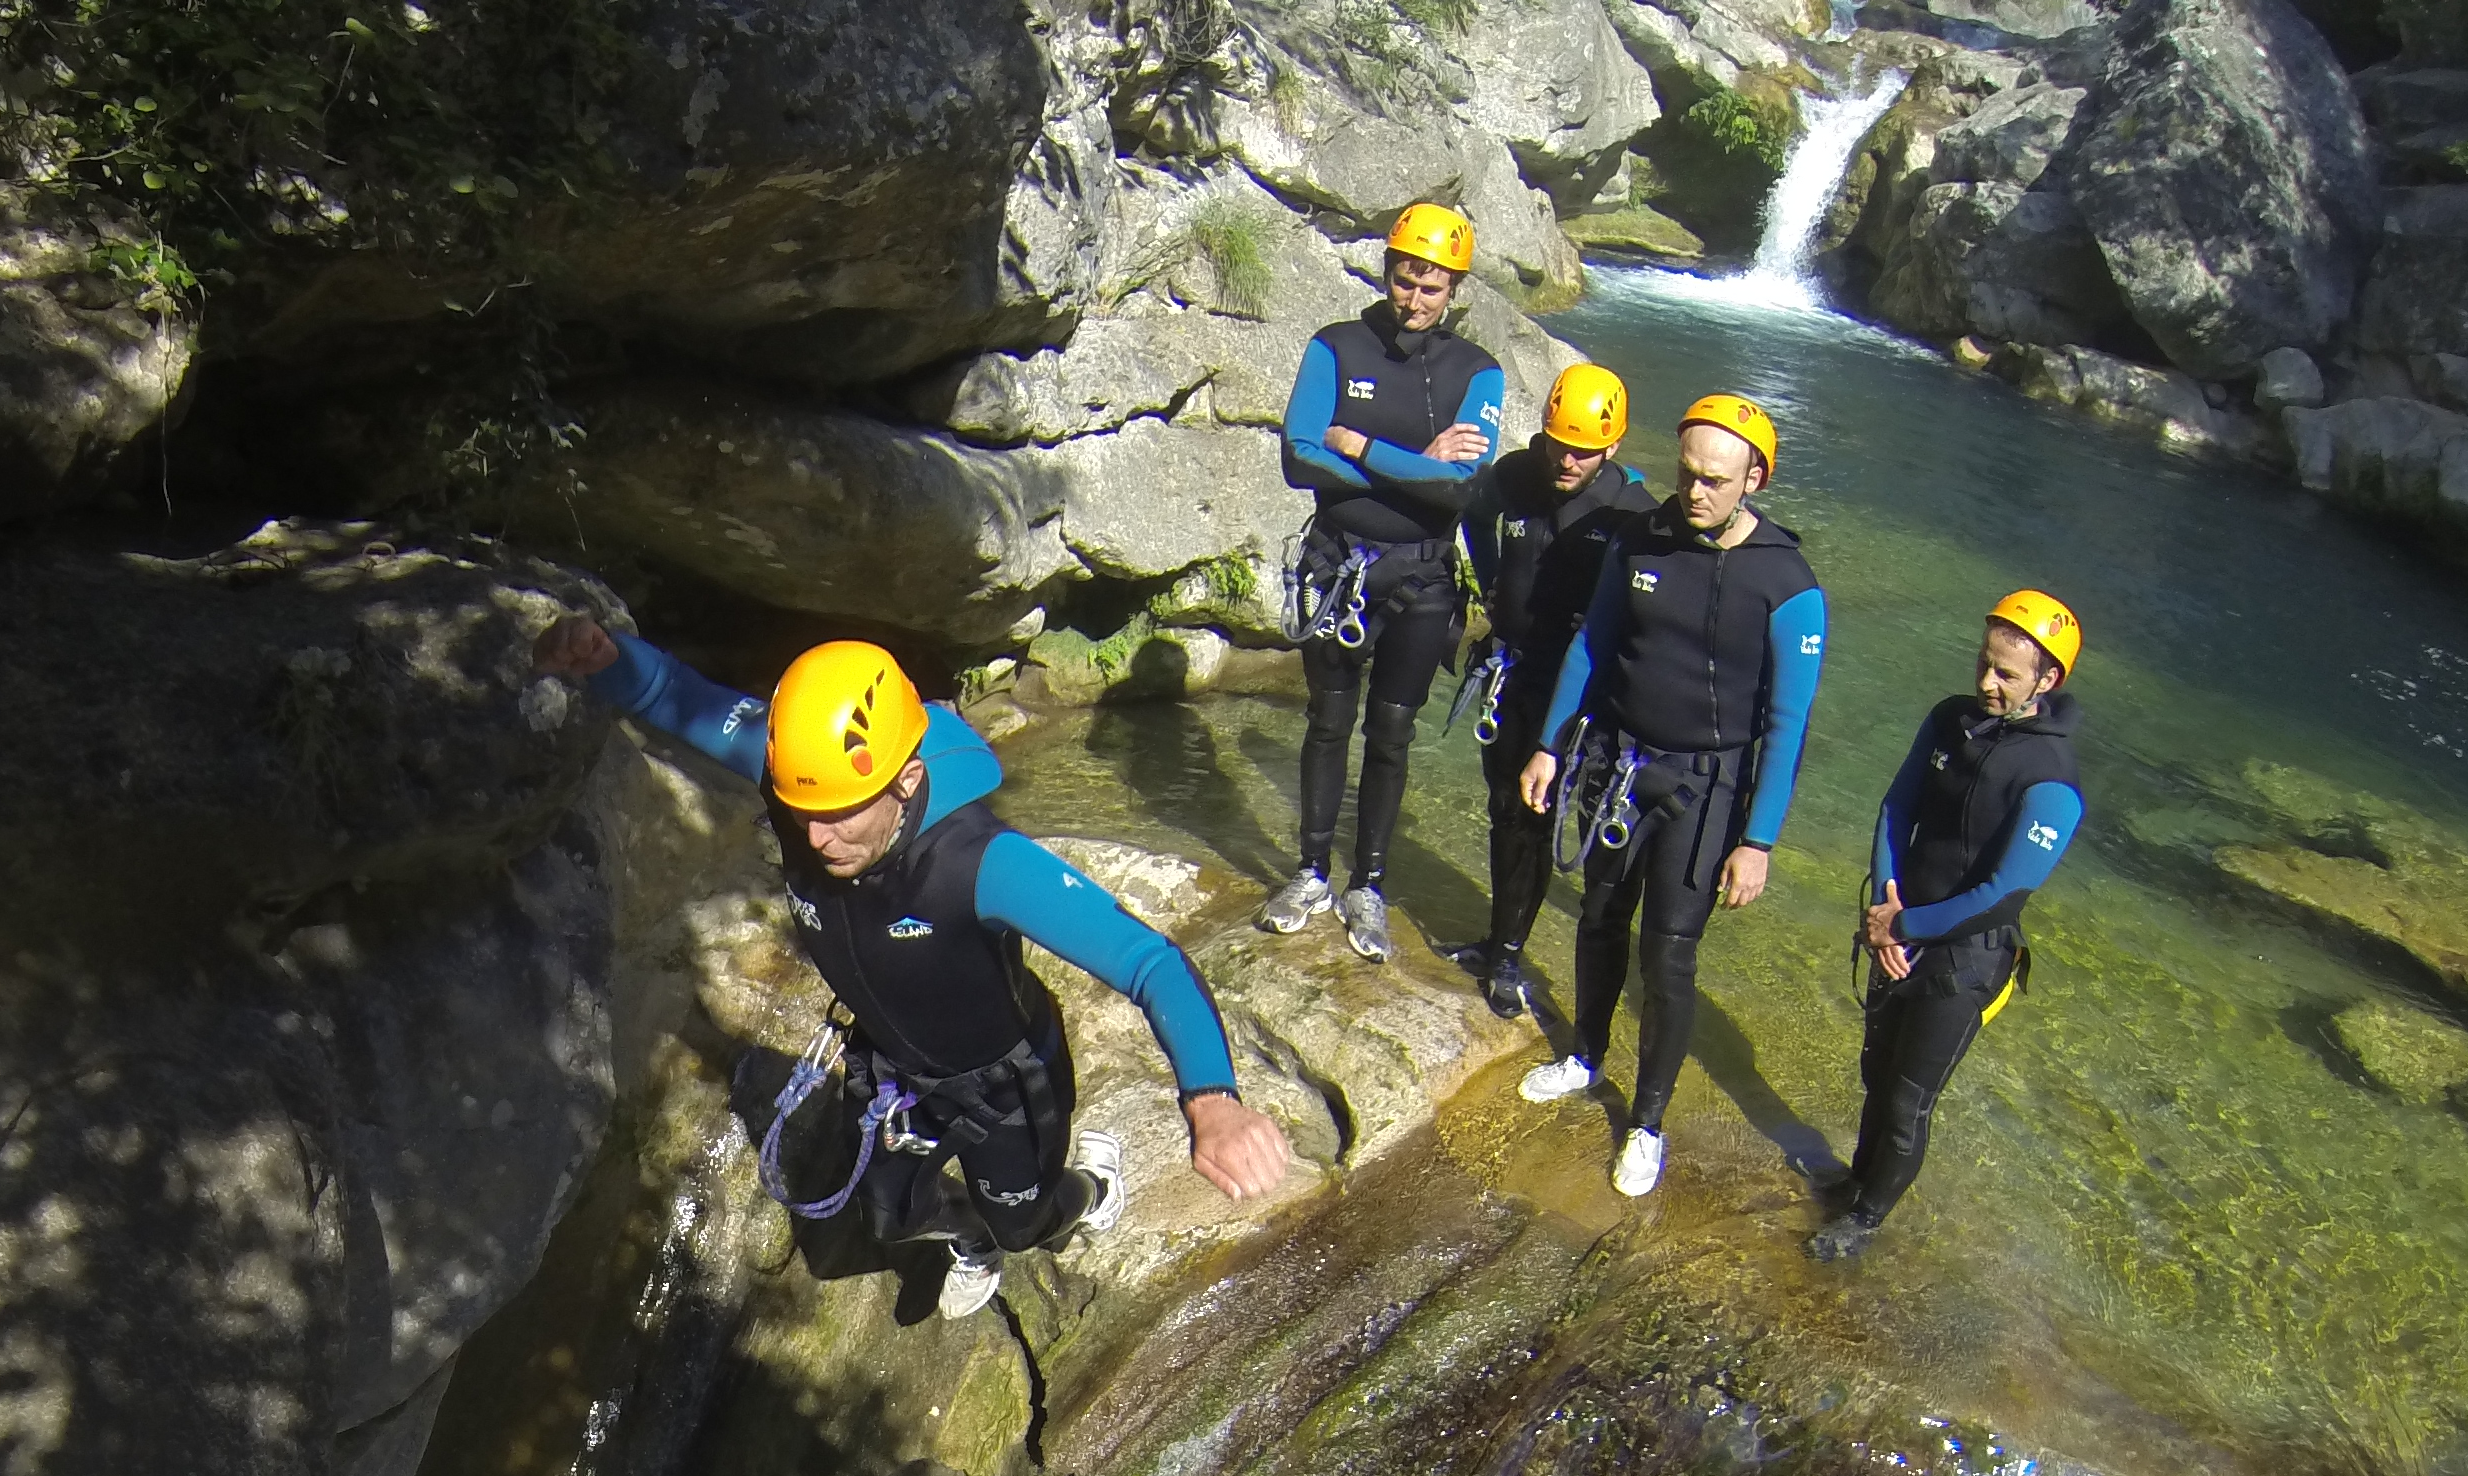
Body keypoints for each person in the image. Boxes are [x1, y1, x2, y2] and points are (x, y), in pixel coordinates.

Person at [536, 616, 1296, 1314]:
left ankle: (1090, 1188)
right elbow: (677, 693)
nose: (817, 835)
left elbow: (1150, 962)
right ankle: (969, 1235)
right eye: (801, 808)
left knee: (1025, 1221)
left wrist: (1213, 1102)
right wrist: (608, 660)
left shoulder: (982, 863)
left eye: (840, 812)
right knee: (892, 1217)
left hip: (1002, 1085)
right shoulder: (805, 776)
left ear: (903, 780)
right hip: (895, 1066)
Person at [1513, 393, 1829, 1199]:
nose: (1695, 493)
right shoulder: (1639, 539)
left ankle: (1647, 1123)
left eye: (1715, 481)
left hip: (1705, 786)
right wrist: (1552, 743)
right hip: (1618, 762)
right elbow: (1593, 644)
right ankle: (1585, 1054)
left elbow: (1788, 727)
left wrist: (1757, 841)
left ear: (1754, 478)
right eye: (1688, 474)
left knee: (1669, 955)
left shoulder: (1788, 585)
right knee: (1597, 917)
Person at [1260, 202, 1508, 966]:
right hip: (1342, 567)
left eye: (1433, 288)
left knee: (1391, 734)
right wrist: (1418, 464)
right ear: (1387, 271)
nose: (1415, 299)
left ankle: (1368, 883)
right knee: (1329, 723)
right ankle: (1310, 873)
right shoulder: (1336, 347)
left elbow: (1462, 489)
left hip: (1426, 580)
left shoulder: (1478, 372)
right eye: (1406, 280)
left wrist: (1362, 444)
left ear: (1454, 289)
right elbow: (1298, 457)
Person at [1809, 590, 2088, 1256]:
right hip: (1897, 927)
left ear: (2047, 680)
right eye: (1983, 664)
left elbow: (2002, 896)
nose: (1986, 683)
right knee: (1875, 1070)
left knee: (1909, 1100)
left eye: (2006, 674)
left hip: (1966, 958)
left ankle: (1866, 1220)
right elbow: (1895, 807)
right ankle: (1853, 1182)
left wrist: (1905, 927)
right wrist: (1883, 905)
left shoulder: (2053, 781)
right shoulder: (1949, 720)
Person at [1455, 363, 1647, 1022]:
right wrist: (1492, 588)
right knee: (1504, 808)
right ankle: (1495, 937)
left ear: (1613, 446)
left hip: (1576, 691)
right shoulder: (1513, 477)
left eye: (1583, 451)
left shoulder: (1629, 513)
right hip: (1511, 667)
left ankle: (1509, 954)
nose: (1566, 460)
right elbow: (1476, 519)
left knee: (1536, 817)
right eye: (1557, 443)